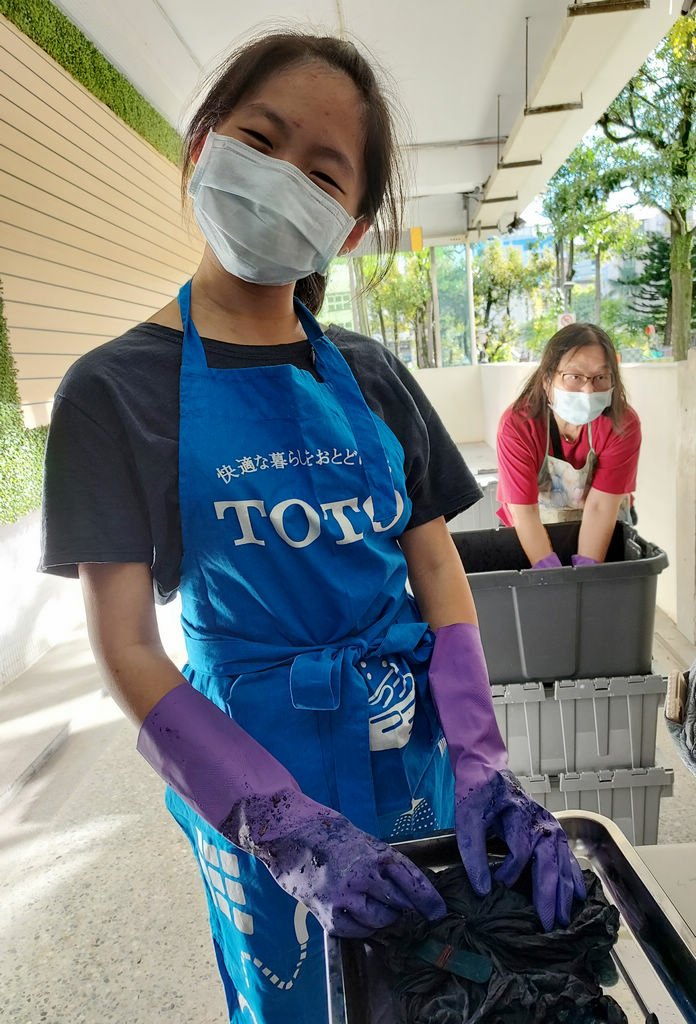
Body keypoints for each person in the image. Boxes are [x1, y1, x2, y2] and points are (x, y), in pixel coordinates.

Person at [40, 32, 585, 1024]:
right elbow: (124, 643)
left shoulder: (374, 377)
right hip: (255, 780)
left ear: (350, 227)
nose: (283, 176)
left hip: (408, 753)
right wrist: (276, 820)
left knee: (441, 985)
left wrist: (479, 756)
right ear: (201, 147)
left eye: (322, 170)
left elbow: (437, 569)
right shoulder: (110, 393)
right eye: (262, 139)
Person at [496, 323, 642, 569]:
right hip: (531, 531)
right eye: (574, 377)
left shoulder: (622, 424)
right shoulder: (518, 425)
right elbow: (525, 513)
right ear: (546, 380)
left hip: (603, 532)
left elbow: (600, 507)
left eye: (601, 378)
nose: (588, 389)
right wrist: (550, 574)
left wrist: (585, 572)